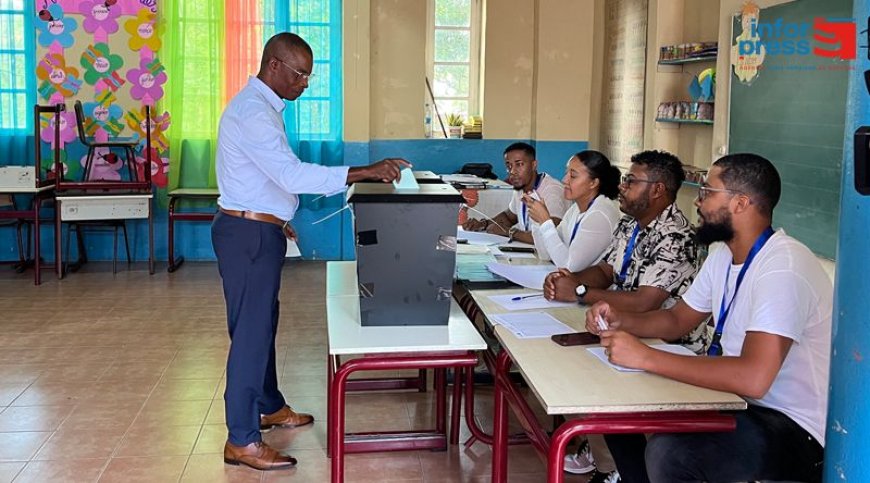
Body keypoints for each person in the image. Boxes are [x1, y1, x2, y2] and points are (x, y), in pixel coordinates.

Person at [212, 32, 409, 471]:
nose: (305, 84)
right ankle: (241, 440)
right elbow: (290, 173)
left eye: (309, 76)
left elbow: (266, 179)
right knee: (250, 335)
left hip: (257, 230)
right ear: (274, 66)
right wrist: (365, 171)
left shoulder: (261, 107)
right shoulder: (254, 113)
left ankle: (268, 406)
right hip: (247, 237)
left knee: (262, 325)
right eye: (300, 74)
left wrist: (280, 219)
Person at [587, 153, 831, 483]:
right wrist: (619, 320)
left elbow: (753, 378)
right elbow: (676, 320)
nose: (698, 202)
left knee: (671, 453)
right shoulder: (722, 255)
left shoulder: (783, 266)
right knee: (616, 409)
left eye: (708, 192)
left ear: (741, 203)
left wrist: (645, 356)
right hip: (737, 403)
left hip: (792, 428)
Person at [544, 150, 703, 481]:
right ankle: (612, 465)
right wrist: (572, 281)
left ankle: (616, 469)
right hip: (624, 328)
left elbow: (647, 302)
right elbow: (605, 270)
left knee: (598, 388)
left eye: (631, 181)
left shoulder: (676, 235)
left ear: (657, 189)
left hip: (670, 342)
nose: (623, 186)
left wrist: (581, 294)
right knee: (570, 366)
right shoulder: (630, 223)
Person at [527, 150, 621, 272]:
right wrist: (537, 221)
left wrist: (545, 222)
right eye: (566, 173)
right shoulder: (576, 208)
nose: (564, 180)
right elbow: (545, 254)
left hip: (590, 289)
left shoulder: (600, 214)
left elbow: (568, 266)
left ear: (593, 183)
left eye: (573, 176)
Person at [461, 142, 568, 244]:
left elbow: (551, 235)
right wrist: (482, 224)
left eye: (519, 164)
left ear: (534, 165)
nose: (512, 171)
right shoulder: (521, 187)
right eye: (509, 166)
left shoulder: (552, 189)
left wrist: (510, 232)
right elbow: (509, 217)